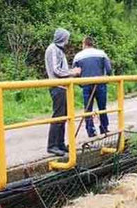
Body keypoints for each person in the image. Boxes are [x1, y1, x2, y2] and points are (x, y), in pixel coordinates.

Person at [44, 28, 81, 156]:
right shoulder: (53, 49)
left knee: (64, 116)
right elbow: (56, 70)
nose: (67, 41)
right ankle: (52, 145)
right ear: (62, 38)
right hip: (57, 87)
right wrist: (73, 72)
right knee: (58, 116)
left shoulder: (59, 50)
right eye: (66, 38)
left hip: (63, 87)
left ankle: (60, 143)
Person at [73, 36, 112, 138]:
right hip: (100, 84)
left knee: (88, 109)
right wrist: (106, 79)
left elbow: (75, 73)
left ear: (84, 44)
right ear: (92, 43)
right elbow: (108, 70)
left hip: (86, 85)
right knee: (102, 107)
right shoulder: (101, 53)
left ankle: (91, 131)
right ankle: (104, 128)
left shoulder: (78, 56)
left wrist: (80, 83)